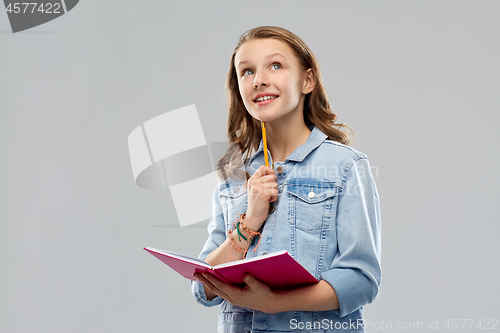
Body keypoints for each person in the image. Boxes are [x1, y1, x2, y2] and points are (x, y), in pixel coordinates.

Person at [191, 26, 381, 333]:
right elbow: (204, 288)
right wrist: (250, 222)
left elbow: (362, 280)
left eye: (275, 66)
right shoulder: (232, 173)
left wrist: (275, 303)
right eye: (247, 71)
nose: (259, 80)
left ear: (307, 80)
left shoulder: (346, 166)